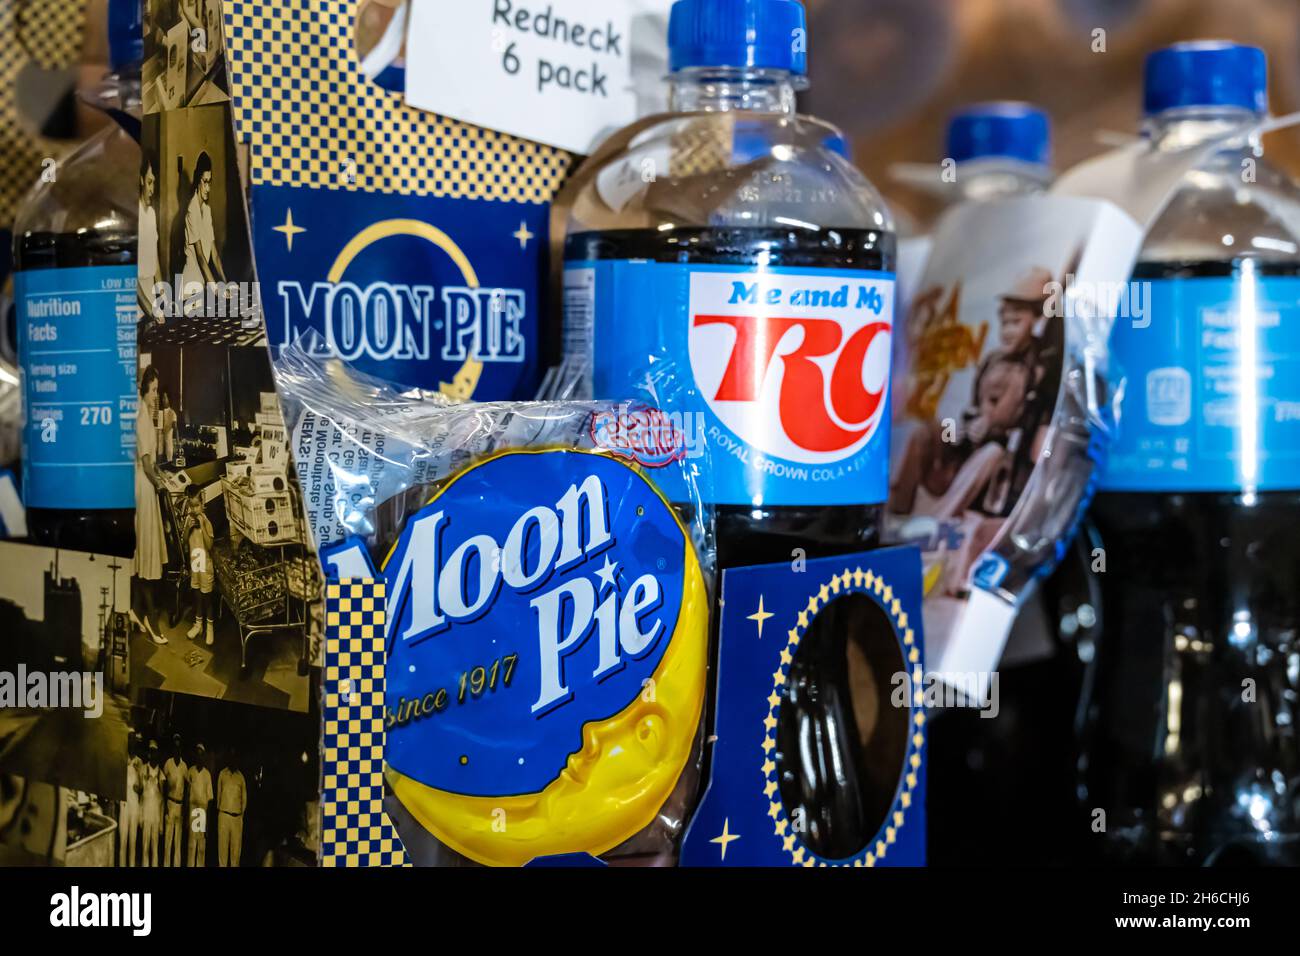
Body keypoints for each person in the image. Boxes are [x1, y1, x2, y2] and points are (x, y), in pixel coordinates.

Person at [132, 366, 169, 645]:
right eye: (153, 389)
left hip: (141, 484)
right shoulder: (142, 416)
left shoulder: (141, 413)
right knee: (147, 552)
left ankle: (136, 609)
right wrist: (159, 484)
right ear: (144, 389)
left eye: (157, 390)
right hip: (144, 489)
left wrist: (159, 476)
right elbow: (146, 464)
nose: (156, 395)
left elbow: (149, 463)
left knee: (142, 549)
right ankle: (150, 618)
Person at [181, 151, 227, 315]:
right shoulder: (191, 210)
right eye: (205, 181)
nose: (208, 187)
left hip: (202, 285)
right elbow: (201, 257)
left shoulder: (206, 210)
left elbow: (214, 254)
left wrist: (225, 283)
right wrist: (217, 290)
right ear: (197, 180)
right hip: (189, 288)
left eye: (210, 182)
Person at [182, 484, 215, 645]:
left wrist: (201, 525)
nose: (194, 509)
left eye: (197, 505)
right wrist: (188, 529)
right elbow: (184, 542)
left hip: (205, 564)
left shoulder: (206, 522)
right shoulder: (188, 520)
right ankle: (198, 624)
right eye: (191, 506)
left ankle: (210, 627)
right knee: (196, 593)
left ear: (203, 504)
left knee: (207, 596)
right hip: (195, 561)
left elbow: (209, 546)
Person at [137, 152, 163, 323]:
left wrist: (161, 297)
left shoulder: (152, 213)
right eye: (149, 182)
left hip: (151, 297)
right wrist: (150, 310)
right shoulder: (134, 215)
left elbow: (155, 260)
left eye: (154, 183)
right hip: (138, 302)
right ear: (140, 180)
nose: (152, 189)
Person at [186, 742, 213, 867]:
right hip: (192, 809)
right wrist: (186, 815)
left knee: (201, 846)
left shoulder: (207, 774)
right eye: (197, 755)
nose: (199, 757)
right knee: (191, 844)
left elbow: (210, 799)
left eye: (201, 755)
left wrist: (207, 822)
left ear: (204, 757)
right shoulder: (190, 771)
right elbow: (187, 794)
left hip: (202, 810)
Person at [217, 752, 246, 867]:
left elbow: (244, 799)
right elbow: (218, 794)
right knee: (222, 850)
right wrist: (220, 811)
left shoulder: (241, 777)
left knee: (236, 851)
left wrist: (240, 816)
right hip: (223, 815)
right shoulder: (222, 774)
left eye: (235, 757)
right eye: (231, 757)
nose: (233, 760)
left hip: (237, 818)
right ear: (228, 758)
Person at [162, 734, 188, 866]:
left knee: (177, 841)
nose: (176, 750)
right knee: (168, 840)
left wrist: (185, 808)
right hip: (170, 803)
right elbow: (163, 785)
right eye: (175, 747)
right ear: (173, 748)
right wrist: (165, 805)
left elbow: (187, 787)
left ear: (180, 749)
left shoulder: (184, 766)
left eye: (179, 747)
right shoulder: (168, 763)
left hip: (180, 805)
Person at [119, 737, 143, 866]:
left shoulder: (140, 762)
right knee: (123, 839)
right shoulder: (122, 759)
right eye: (131, 742)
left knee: (133, 840)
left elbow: (142, 789)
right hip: (124, 804)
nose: (133, 745)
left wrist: (138, 786)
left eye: (135, 743)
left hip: (135, 805)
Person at [140, 741, 164, 867]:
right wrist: (140, 816)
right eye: (151, 752)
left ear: (157, 754)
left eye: (155, 752)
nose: (153, 755)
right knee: (145, 846)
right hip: (146, 815)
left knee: (155, 847)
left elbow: (162, 800)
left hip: (156, 816)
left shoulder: (161, 773)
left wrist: (161, 824)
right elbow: (141, 797)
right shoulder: (143, 769)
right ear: (149, 754)